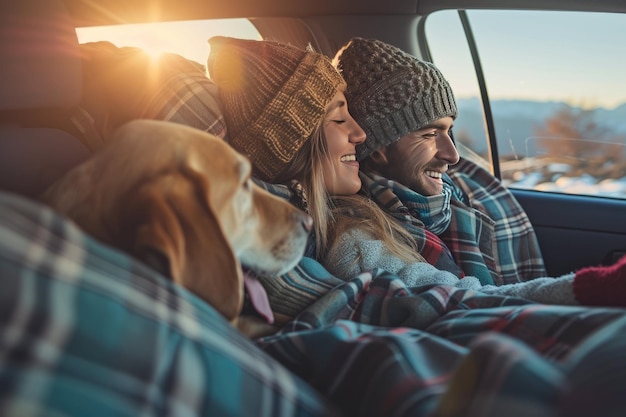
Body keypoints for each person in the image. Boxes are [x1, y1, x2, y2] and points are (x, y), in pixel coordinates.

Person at [208, 36, 626, 308]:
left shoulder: (450, 198)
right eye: (340, 120)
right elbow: (461, 305)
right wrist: (597, 288)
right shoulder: (352, 236)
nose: (359, 132)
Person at [333, 37, 547, 285]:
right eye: (430, 134)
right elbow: (464, 301)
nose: (453, 155)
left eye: (448, 130)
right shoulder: (360, 238)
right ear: (378, 145)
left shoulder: (465, 191)